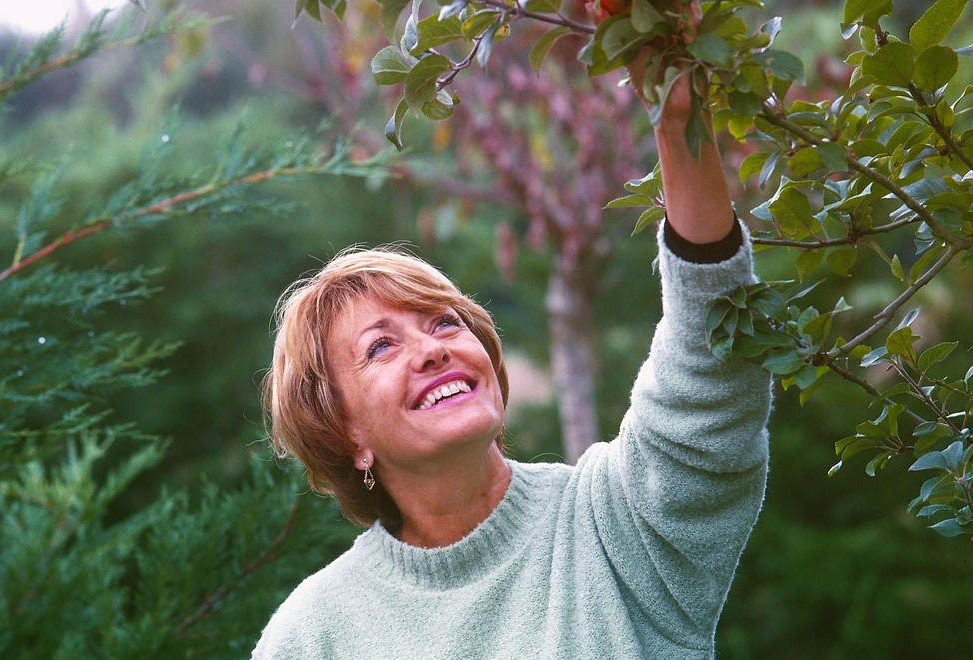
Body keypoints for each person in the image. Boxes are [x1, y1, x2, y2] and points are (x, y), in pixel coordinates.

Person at [252, 28, 772, 660]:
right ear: (342, 432)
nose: (433, 349)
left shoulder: (615, 527)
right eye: (381, 347)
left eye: (445, 323)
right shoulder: (313, 636)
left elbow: (712, 367)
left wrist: (678, 119)